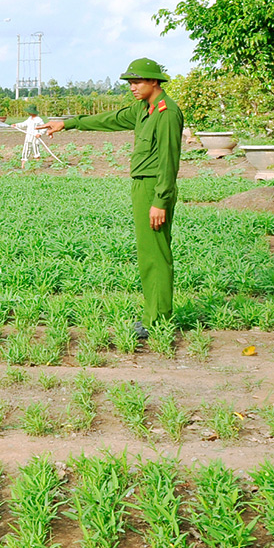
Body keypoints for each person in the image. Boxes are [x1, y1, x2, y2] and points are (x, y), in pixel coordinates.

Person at [44, 57, 183, 340]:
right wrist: (68, 124)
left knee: (156, 255)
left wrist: (160, 201)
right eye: (130, 82)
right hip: (141, 187)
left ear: (155, 81)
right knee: (148, 255)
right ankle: (153, 316)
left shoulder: (166, 113)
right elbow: (109, 119)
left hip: (154, 188)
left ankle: (158, 321)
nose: (132, 87)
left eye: (138, 81)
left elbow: (169, 162)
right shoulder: (143, 109)